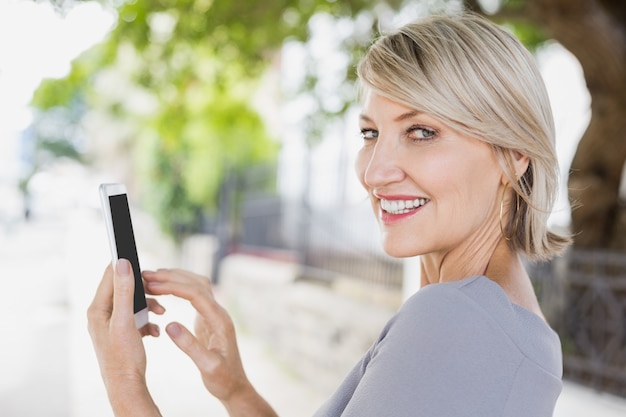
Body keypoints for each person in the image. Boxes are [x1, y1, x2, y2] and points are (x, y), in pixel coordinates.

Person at [88, 12, 571, 417]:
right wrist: (236, 391)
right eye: (369, 133)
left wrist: (123, 381)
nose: (376, 171)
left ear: (513, 154)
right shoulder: (513, 326)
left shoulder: (453, 319)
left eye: (422, 131)